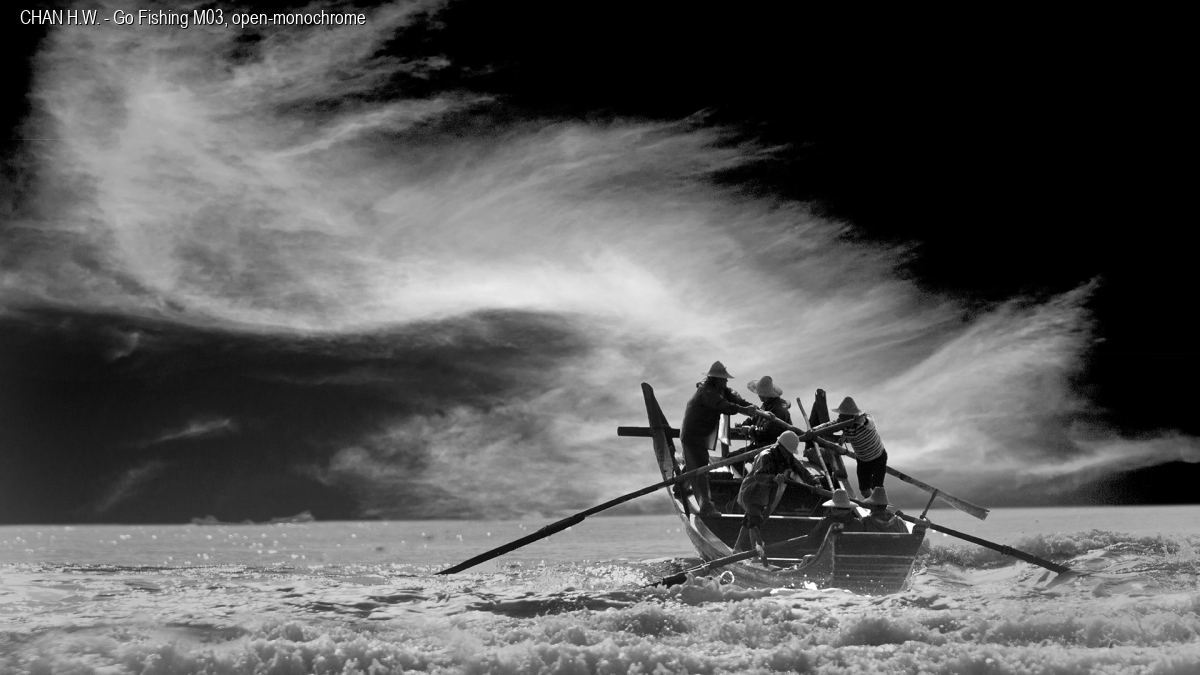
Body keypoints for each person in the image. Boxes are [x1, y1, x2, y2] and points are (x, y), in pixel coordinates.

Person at [680, 361, 759, 516]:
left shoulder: (722, 390)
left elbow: (736, 399)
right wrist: (744, 410)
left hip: (701, 435)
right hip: (693, 434)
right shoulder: (706, 391)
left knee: (695, 463)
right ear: (716, 379)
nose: (726, 381)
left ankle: (679, 488)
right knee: (700, 468)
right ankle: (706, 506)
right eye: (724, 379)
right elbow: (722, 405)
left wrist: (752, 408)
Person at [733, 430, 808, 563]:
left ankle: (736, 547)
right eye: (788, 452)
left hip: (764, 495)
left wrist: (815, 482)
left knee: (749, 519)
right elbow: (759, 476)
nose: (789, 455)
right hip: (752, 491)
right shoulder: (765, 456)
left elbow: (801, 470)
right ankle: (755, 556)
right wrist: (773, 479)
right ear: (781, 447)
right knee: (754, 523)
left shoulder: (787, 457)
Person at [815, 396, 888, 497]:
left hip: (878, 458)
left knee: (877, 489)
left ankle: (879, 505)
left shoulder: (865, 419)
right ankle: (872, 504)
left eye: (842, 414)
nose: (840, 416)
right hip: (862, 461)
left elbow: (870, 423)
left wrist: (862, 420)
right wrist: (814, 430)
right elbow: (829, 426)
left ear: (850, 416)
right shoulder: (842, 422)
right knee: (864, 490)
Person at [742, 375, 793, 447]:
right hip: (763, 446)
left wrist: (750, 430)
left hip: (776, 449)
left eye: (760, 393)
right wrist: (743, 424)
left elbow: (766, 433)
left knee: (736, 454)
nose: (758, 395)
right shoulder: (766, 405)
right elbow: (755, 418)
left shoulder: (779, 409)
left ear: (765, 394)